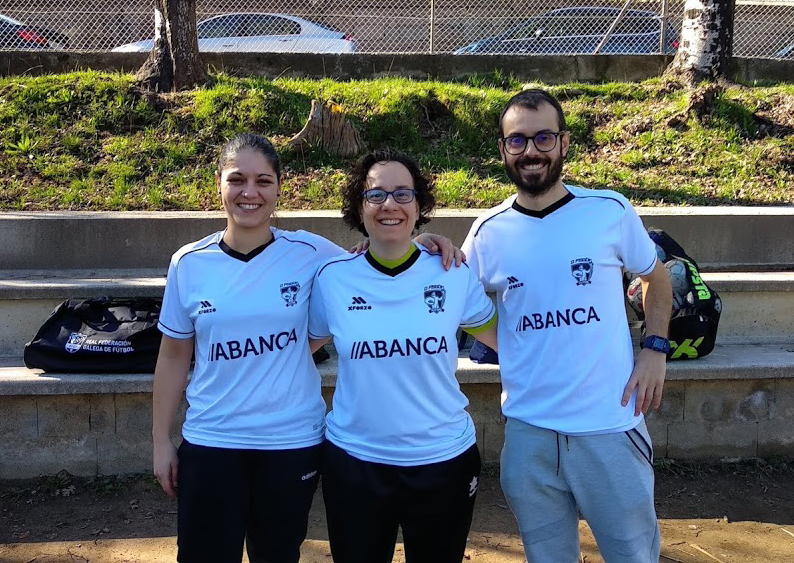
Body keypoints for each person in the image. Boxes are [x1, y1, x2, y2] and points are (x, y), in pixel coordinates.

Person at [152, 134, 461, 563]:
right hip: (212, 439)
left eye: (263, 181)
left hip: (291, 440)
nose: (250, 192)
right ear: (218, 184)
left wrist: (430, 242)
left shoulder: (312, 253)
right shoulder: (189, 262)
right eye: (237, 179)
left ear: (279, 187)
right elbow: (172, 356)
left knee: (277, 555)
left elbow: (377, 254)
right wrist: (161, 441)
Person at [461, 90, 673, 563]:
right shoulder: (488, 231)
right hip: (529, 434)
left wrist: (655, 349)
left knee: (633, 556)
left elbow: (656, 279)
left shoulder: (608, 211)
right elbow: (457, 302)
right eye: (517, 140)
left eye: (543, 137)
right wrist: (508, 345)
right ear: (502, 149)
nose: (530, 151)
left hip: (610, 427)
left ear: (564, 143)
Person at [308, 149, 499, 563]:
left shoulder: (450, 271)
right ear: (359, 206)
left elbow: (507, 341)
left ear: (420, 205)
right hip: (356, 462)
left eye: (402, 194)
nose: (389, 204)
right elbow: (297, 350)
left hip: (443, 462)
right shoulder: (333, 278)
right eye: (375, 195)